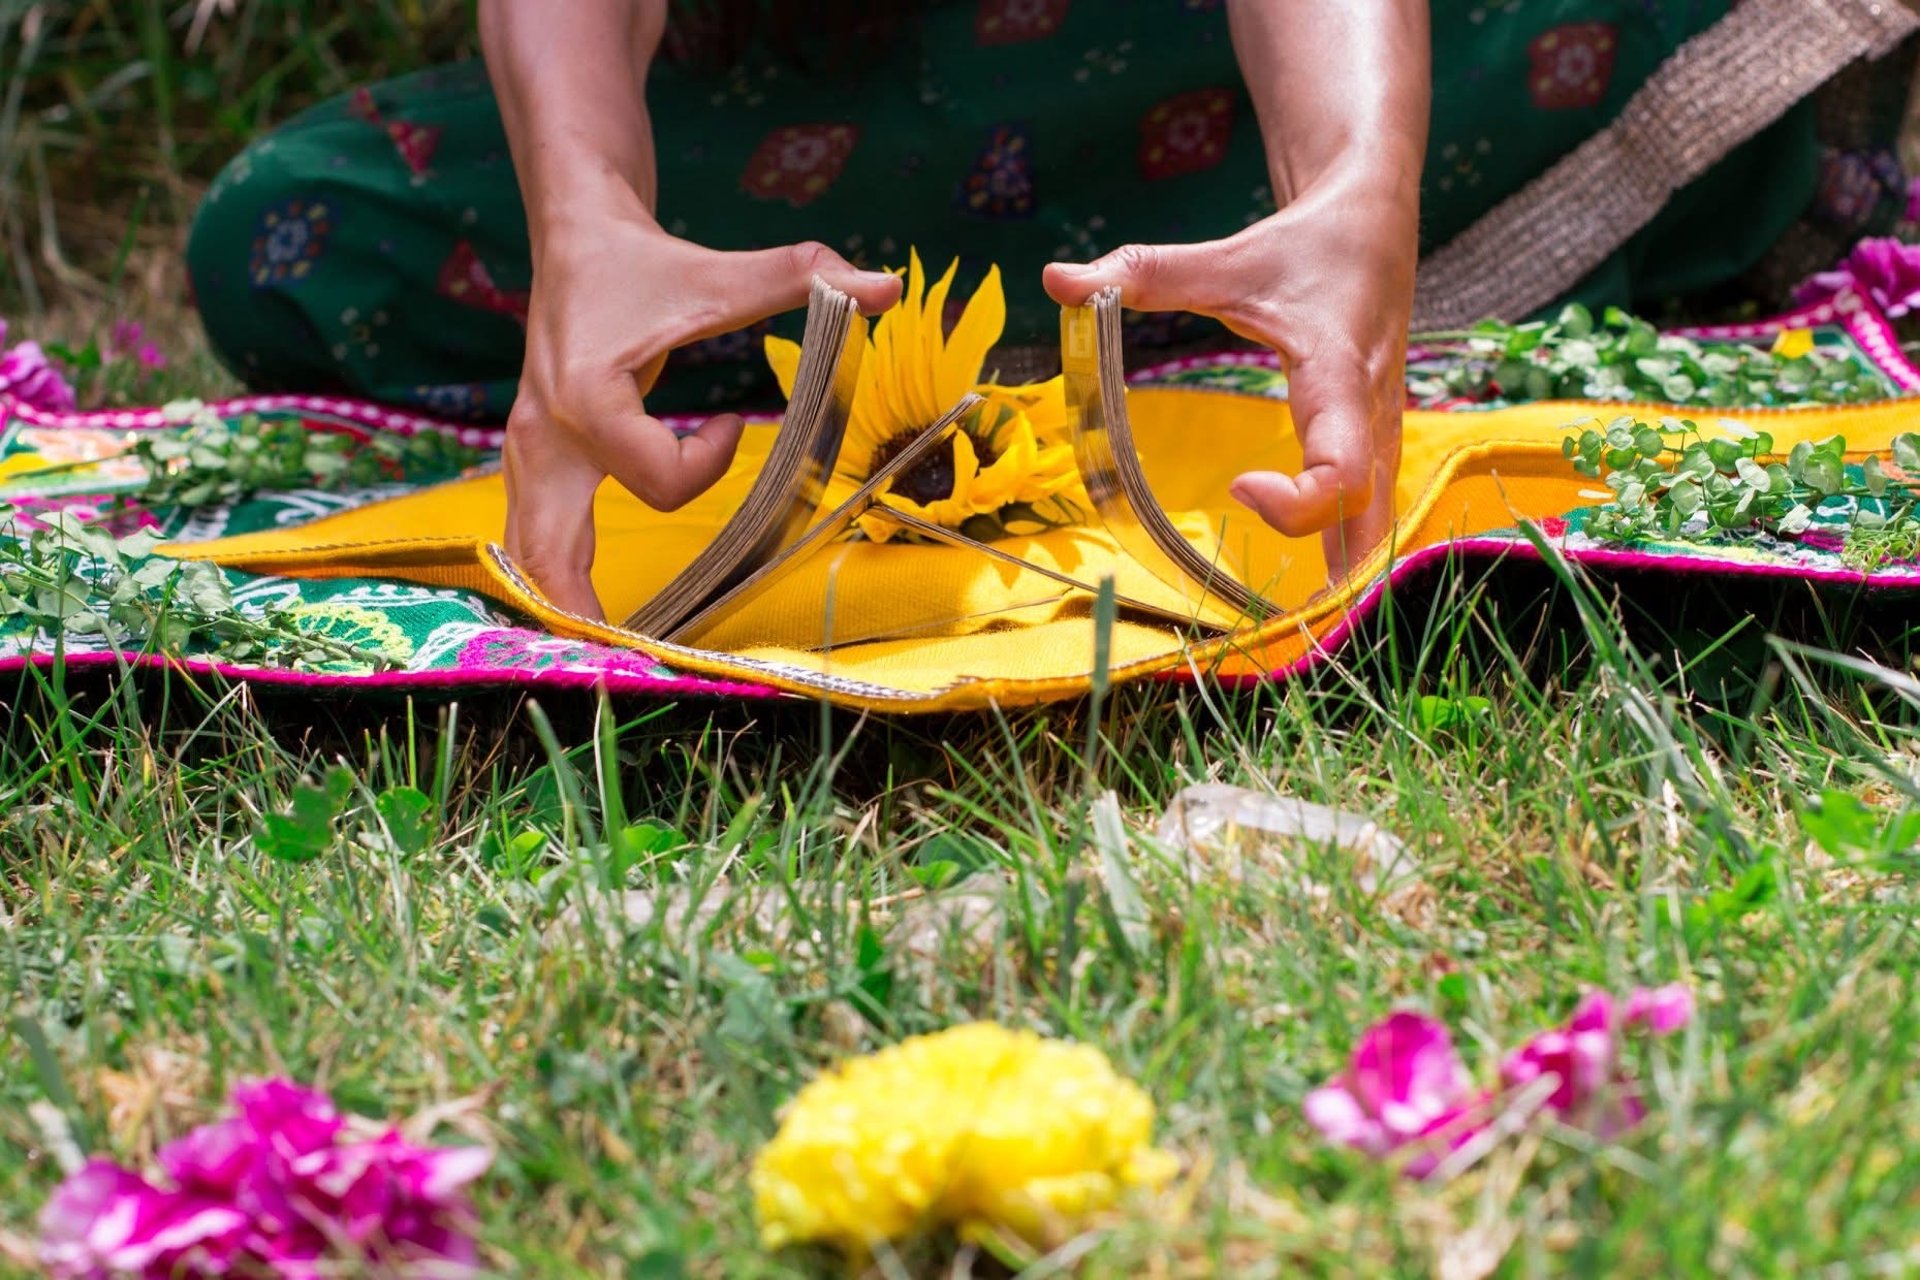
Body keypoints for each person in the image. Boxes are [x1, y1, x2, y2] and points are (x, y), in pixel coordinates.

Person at [187, 2, 1895, 620]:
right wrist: (587, 224)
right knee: (300, 229)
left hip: (1179, 49)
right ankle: (687, 308)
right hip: (794, 87)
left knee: (1647, 21)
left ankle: (1294, 253)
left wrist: (1355, 195)